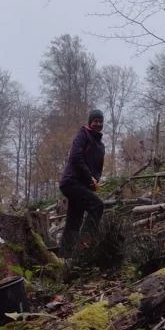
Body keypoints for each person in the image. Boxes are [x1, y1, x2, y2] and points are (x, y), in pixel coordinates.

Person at [59, 108, 105, 258]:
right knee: (97, 206)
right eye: (95, 121)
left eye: (100, 121)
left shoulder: (101, 146)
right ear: (90, 122)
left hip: (83, 185)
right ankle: (84, 245)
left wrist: (94, 181)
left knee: (74, 220)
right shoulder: (82, 134)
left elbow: (98, 168)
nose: (98, 124)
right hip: (71, 182)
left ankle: (64, 257)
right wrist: (88, 176)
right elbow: (76, 157)